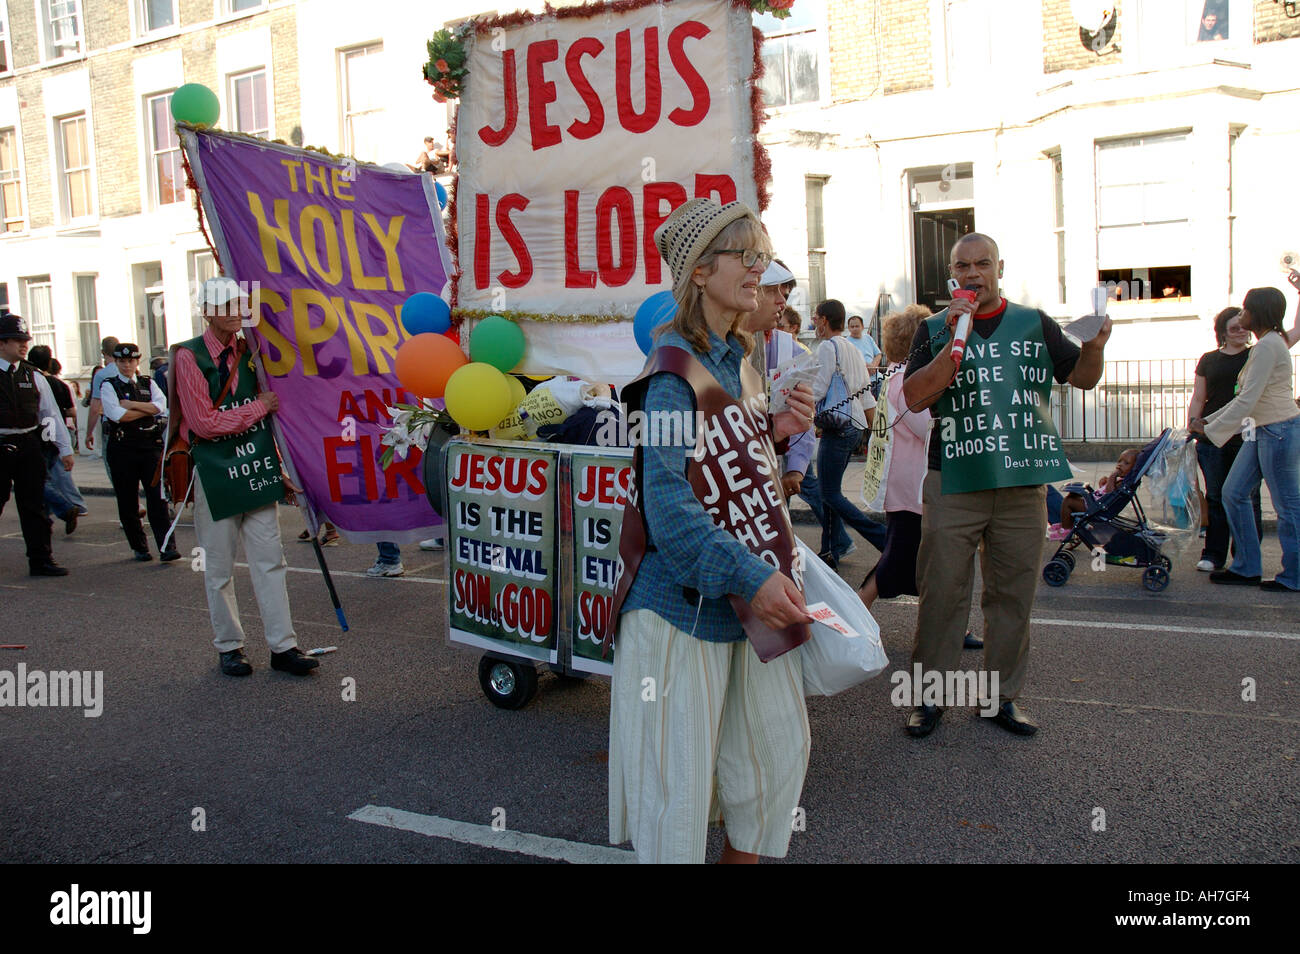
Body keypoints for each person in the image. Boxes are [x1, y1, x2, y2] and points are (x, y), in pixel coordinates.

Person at [605, 198, 817, 864]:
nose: (760, 269)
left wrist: (776, 436)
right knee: (678, 799)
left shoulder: (736, 364)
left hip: (731, 604)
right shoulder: (670, 377)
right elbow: (668, 506)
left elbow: (726, 473)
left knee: (771, 761)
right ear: (700, 271)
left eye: (764, 255)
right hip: (678, 612)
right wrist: (753, 577)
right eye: (746, 256)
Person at [901, 233, 1110, 737]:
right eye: (962, 267)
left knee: (1012, 596)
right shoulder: (933, 328)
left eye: (982, 264)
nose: (973, 275)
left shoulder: (1033, 323)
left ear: (999, 268)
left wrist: (1095, 347)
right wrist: (951, 341)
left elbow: (1081, 379)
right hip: (953, 478)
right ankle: (929, 699)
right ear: (952, 275)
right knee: (942, 592)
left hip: (1020, 483)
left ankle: (999, 699)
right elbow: (912, 397)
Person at [173, 277, 318, 676]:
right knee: (218, 566)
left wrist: (278, 467)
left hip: (255, 470)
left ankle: (283, 646)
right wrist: (258, 407)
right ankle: (229, 646)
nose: (238, 311)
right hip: (216, 473)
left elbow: (264, 425)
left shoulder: (252, 351)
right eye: (228, 305)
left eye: (239, 303)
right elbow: (203, 423)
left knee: (271, 560)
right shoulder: (189, 356)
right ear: (207, 311)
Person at [1190, 286, 1300, 591]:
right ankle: (1247, 567)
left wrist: (1209, 429)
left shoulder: (1267, 347)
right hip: (1262, 430)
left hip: (1277, 430)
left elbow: (1247, 399)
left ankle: (1294, 576)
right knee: (1233, 493)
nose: (1241, 315)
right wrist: (1206, 421)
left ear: (1258, 313)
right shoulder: (1266, 344)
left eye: (1245, 310)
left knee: (1288, 506)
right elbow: (1244, 399)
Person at [858, 306, 931, 609]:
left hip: (905, 486)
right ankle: (857, 611)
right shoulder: (906, 382)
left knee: (910, 557)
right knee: (899, 558)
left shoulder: (897, 377)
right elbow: (928, 428)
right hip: (912, 488)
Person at [811, 298, 886, 566]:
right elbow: (867, 395)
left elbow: (818, 389)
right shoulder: (853, 348)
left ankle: (882, 538)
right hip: (854, 427)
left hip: (837, 426)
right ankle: (830, 548)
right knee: (829, 490)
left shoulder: (827, 348)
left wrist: (792, 392)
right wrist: (876, 430)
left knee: (829, 493)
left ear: (823, 320)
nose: (813, 322)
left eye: (815, 317)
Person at [1187, 308, 1263, 571]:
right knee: (1217, 496)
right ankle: (1214, 554)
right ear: (1222, 332)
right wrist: (1192, 425)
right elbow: (1199, 397)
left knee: (1249, 496)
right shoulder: (1208, 360)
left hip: (1247, 435)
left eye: (1244, 327)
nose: (1241, 331)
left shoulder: (1257, 356)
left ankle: (1246, 555)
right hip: (1212, 437)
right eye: (1234, 328)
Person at [0, 313, 74, 576]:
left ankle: (41, 560)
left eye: (25, 340)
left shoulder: (34, 376)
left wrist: (64, 448)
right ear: (1, 343)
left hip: (28, 442)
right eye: (17, 340)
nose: (24, 345)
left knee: (35, 506)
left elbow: (50, 414)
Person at [741, 258, 815, 505]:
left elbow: (799, 420)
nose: (782, 301)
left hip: (769, 468)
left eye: (783, 293)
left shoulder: (792, 352)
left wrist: (795, 468)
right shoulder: (716, 352)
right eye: (771, 290)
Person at [100, 342, 177, 562]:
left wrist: (130, 405)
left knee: (157, 499)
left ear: (137, 362)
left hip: (149, 446)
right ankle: (140, 546)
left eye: (131, 361)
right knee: (128, 501)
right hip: (123, 448)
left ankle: (167, 546)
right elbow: (117, 416)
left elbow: (161, 407)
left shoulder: (147, 382)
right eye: (122, 361)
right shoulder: (109, 385)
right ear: (116, 362)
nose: (126, 365)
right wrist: (146, 410)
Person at [26, 346, 86, 533]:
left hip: (38, 436)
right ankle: (52, 512)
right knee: (47, 477)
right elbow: (67, 411)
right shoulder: (58, 383)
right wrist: (59, 444)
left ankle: (66, 507)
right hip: (51, 434)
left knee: (39, 480)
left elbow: (48, 413)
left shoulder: (34, 379)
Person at [1049, 448, 1137, 540]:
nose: (1120, 465)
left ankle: (1066, 529)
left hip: (1097, 508)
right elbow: (1105, 494)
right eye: (1119, 461)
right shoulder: (1121, 481)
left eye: (1126, 463)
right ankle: (1066, 522)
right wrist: (1103, 484)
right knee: (1073, 495)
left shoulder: (1122, 483)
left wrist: (1112, 476)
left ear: (1134, 468)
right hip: (1097, 502)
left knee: (1068, 501)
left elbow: (1110, 493)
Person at [84, 336, 120, 483]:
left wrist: (89, 433)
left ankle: (132, 503)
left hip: (110, 425)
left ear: (103, 352)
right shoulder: (131, 371)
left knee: (112, 466)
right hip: (131, 423)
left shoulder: (101, 375)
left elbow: (95, 407)